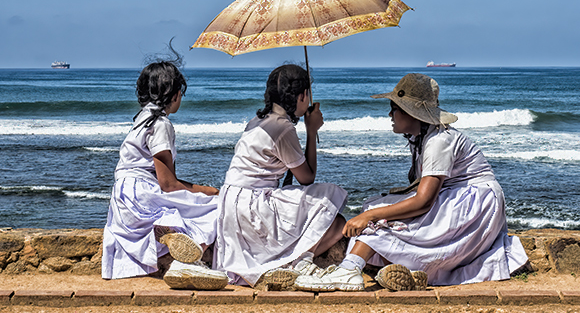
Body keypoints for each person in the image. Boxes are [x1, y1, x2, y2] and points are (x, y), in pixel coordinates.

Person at [296, 73, 529, 292]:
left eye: (394, 109)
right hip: (458, 197)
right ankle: (396, 269)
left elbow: (424, 201)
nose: (390, 115)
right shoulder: (424, 138)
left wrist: (370, 216)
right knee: (376, 208)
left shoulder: (439, 140)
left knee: (379, 215)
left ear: (411, 113)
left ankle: (349, 270)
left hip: (473, 205)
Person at [213, 64, 348, 288]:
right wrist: (312, 131)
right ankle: (297, 262)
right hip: (253, 206)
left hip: (232, 203)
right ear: (302, 95)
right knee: (332, 210)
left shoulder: (257, 122)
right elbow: (307, 178)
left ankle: (289, 261)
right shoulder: (283, 128)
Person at [102, 58, 228, 290]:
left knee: (192, 203)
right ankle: (189, 256)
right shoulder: (160, 124)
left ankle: (174, 235)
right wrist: (206, 190)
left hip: (124, 202)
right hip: (143, 195)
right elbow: (168, 184)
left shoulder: (140, 119)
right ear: (175, 94)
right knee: (218, 205)